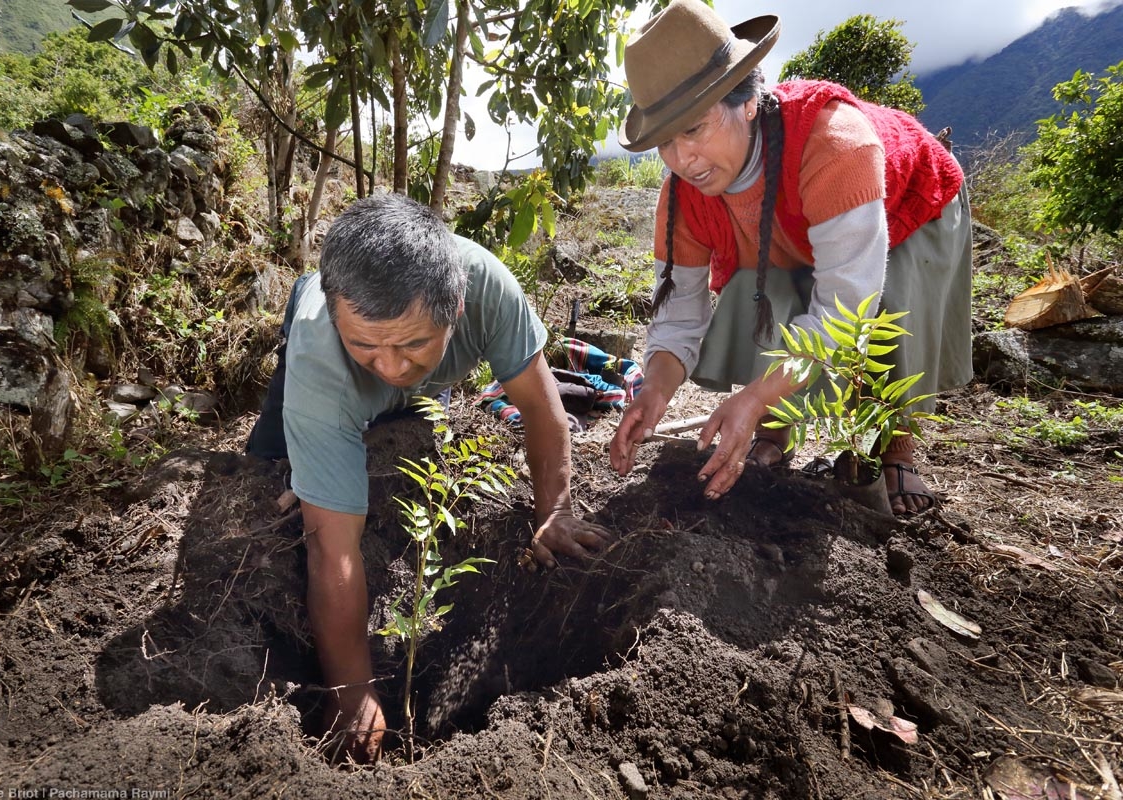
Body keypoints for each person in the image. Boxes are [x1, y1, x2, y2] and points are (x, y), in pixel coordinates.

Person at [245, 193, 613, 762]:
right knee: (274, 473)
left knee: (405, 423)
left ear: (456, 307)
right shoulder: (322, 347)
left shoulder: (489, 290)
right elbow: (332, 553)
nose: (391, 365)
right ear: (340, 316)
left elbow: (543, 411)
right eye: (366, 344)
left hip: (416, 356)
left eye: (413, 343)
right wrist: (352, 691)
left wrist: (554, 511)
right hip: (314, 350)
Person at [608, 0, 972, 515]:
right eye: (664, 141)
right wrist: (654, 391)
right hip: (792, 231)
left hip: (907, 205)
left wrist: (752, 399)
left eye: (694, 129)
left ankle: (896, 448)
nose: (681, 159)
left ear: (748, 102)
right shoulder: (684, 194)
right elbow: (679, 314)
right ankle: (779, 434)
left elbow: (849, 309)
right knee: (766, 288)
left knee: (888, 301)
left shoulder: (835, 144)